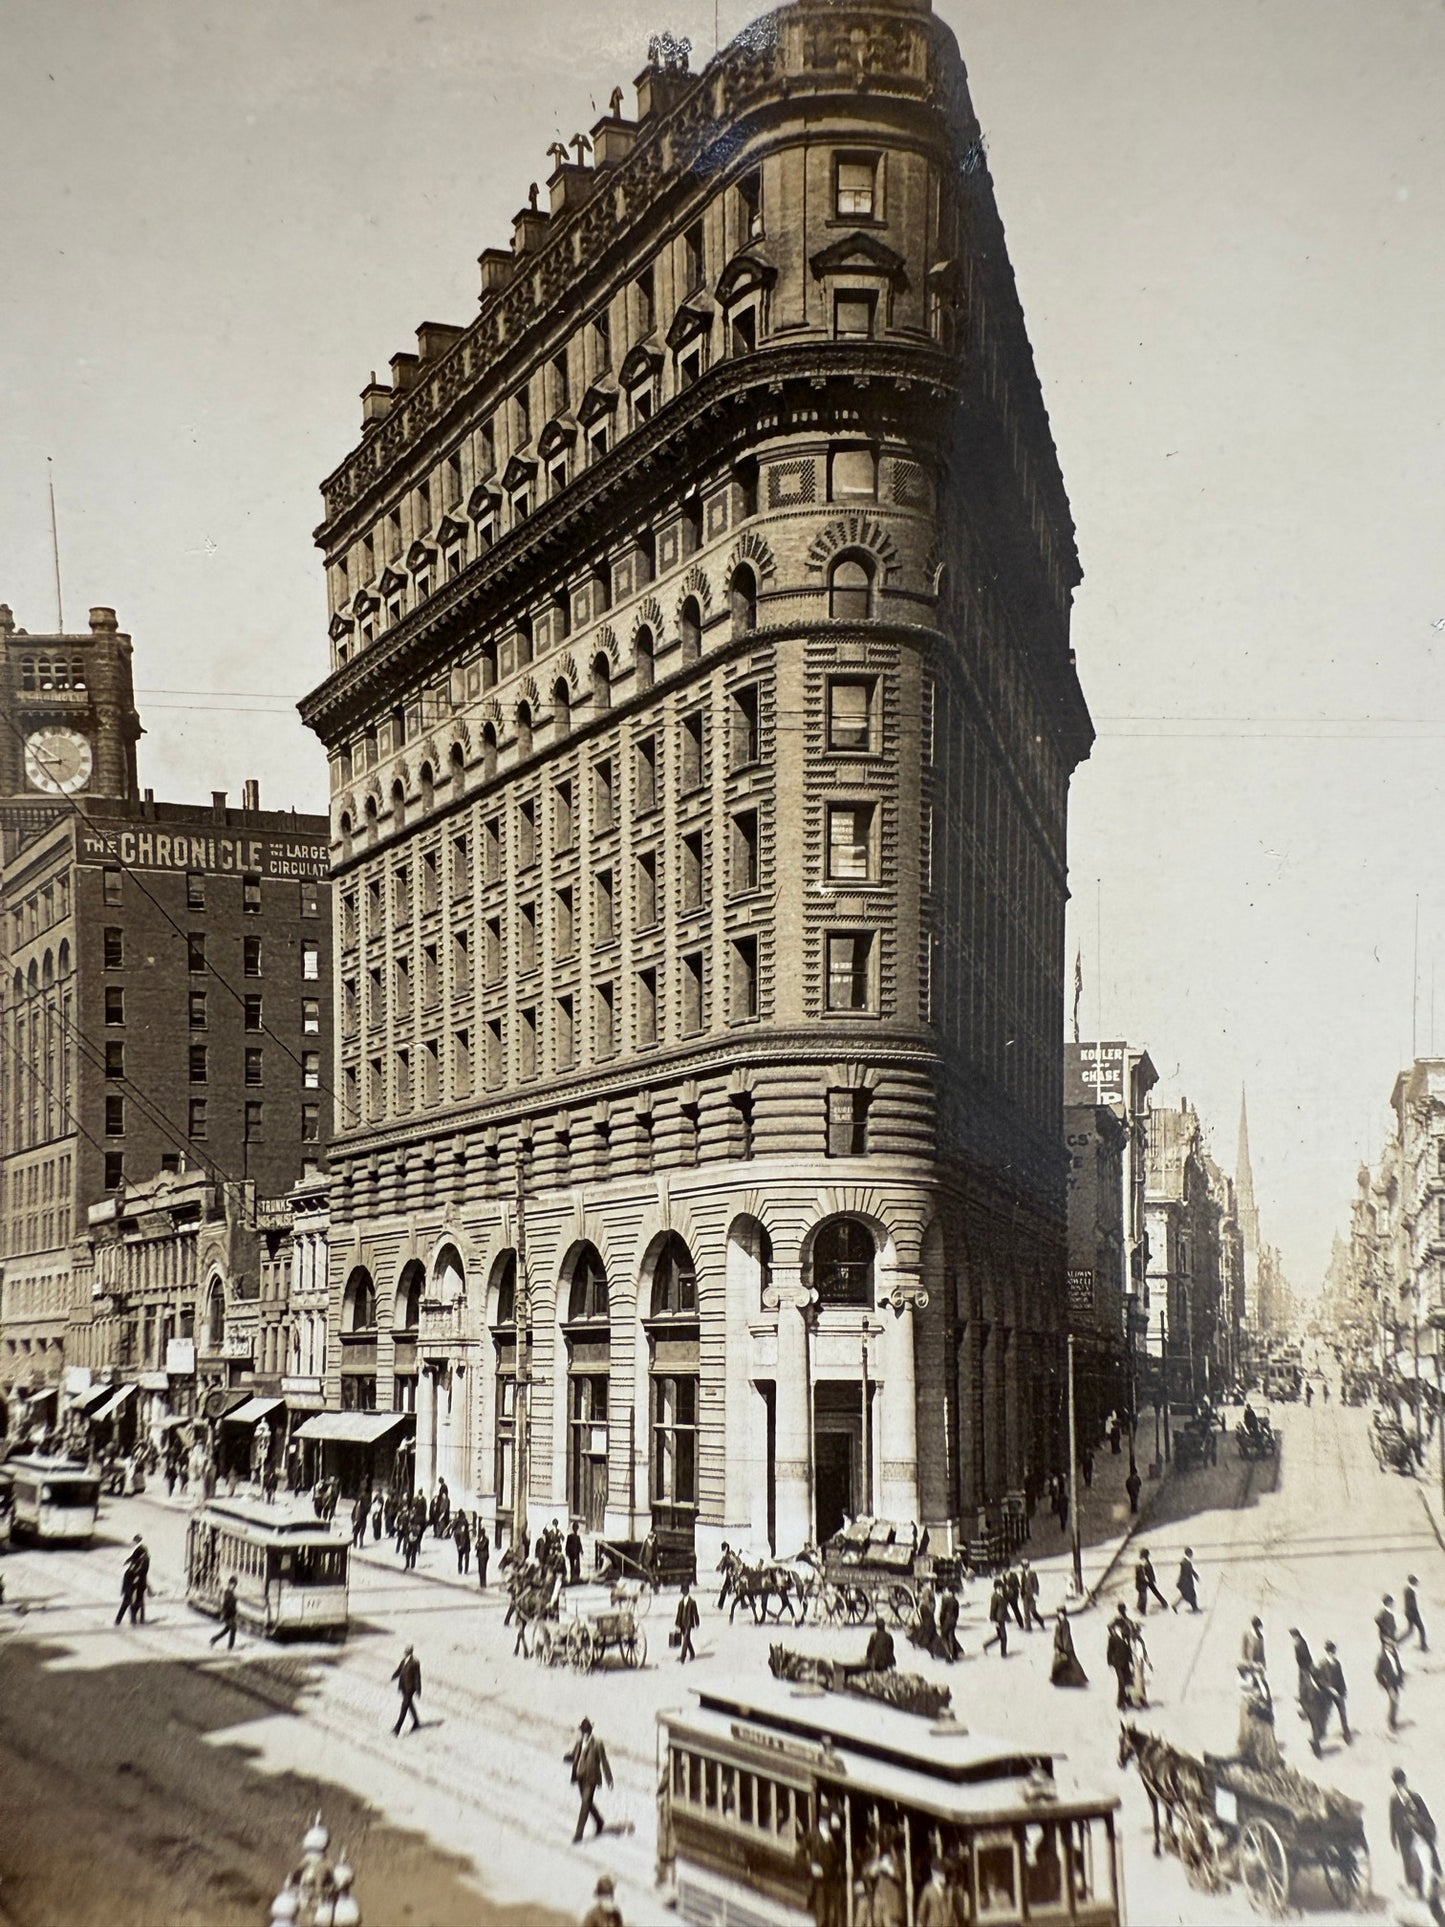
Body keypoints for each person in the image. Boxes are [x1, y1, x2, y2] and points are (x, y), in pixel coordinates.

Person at [1391, 1770, 1442, 1899]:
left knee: (1425, 1862)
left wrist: (1427, 1828)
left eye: (1401, 1782)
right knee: (1412, 1865)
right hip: (1406, 1837)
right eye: (1398, 1783)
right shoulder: (1394, 1800)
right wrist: (1393, 1836)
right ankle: (1419, 1890)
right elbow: (1393, 1819)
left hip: (1420, 1835)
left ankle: (1431, 1887)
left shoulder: (1415, 1797)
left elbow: (1426, 1815)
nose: (1400, 1786)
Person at [566, 1717, 613, 1842]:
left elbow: (604, 1762)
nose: (585, 1733)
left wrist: (609, 1778)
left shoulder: (597, 1744)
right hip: (580, 1777)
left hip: (591, 1779)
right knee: (587, 1803)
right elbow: (575, 1757)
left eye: (587, 1731)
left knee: (585, 1804)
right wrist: (568, 1758)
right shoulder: (578, 1743)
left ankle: (578, 1834)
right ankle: (599, 1821)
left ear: (590, 1731)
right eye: (583, 1731)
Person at [1237, 1661, 1283, 1770]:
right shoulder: (1253, 1682)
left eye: (1259, 1672)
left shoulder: (1259, 1682)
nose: (1258, 1674)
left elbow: (1265, 1696)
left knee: (1265, 1735)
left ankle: (1265, 1758)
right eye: (1256, 1672)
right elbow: (1259, 1694)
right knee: (1260, 1734)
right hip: (1258, 1712)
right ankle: (1259, 1758)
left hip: (1262, 1711)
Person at [1316, 1641, 1352, 1744]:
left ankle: (1346, 1734)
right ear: (1327, 1652)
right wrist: (1329, 1688)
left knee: (1343, 1712)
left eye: (1333, 1652)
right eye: (1330, 1652)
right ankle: (1320, 1733)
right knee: (1325, 1713)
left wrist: (1343, 1690)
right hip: (1328, 1693)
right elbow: (1320, 1679)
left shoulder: (1337, 1663)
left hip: (1338, 1692)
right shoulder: (1322, 1664)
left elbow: (1341, 1678)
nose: (1332, 1654)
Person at [1051, 1608, 1088, 1688]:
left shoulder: (1065, 1623)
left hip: (1066, 1646)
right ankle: (1057, 1679)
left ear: (1064, 1614)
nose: (1060, 1615)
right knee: (1059, 1663)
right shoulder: (1058, 1623)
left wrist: (1065, 1648)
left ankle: (1080, 1678)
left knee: (1072, 1662)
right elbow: (1056, 1635)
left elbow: (1066, 1636)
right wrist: (1056, 1645)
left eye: (1061, 1613)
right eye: (1058, 1613)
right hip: (1060, 1645)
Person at [392, 1645, 422, 1735]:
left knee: (404, 1707)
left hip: (410, 1688)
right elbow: (399, 1670)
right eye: (405, 1651)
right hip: (403, 1687)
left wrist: (418, 1689)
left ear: (410, 1652)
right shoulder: (404, 1660)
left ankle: (397, 1729)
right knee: (409, 1705)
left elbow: (417, 1676)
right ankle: (416, 1722)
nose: (405, 1652)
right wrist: (393, 1676)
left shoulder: (415, 1663)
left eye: (406, 1651)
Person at [1377, 1635, 1405, 1732]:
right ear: (1385, 1646)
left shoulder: (1394, 1653)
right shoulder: (1382, 1658)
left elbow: (1398, 1666)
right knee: (1394, 1702)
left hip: (1396, 1681)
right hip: (1389, 1683)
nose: (1392, 1645)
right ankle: (1391, 1723)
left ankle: (1393, 1720)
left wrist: (1401, 1677)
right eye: (1389, 1644)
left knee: (1396, 1702)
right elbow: (1378, 1672)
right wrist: (1383, 1684)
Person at [982, 1577, 1010, 1657]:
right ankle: (1003, 1654)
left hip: (1002, 1618)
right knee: (1003, 1637)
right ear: (996, 1588)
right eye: (999, 1588)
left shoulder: (1002, 1595)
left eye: (1001, 1587)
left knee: (1000, 1636)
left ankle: (986, 1645)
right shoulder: (994, 1597)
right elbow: (993, 1609)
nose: (1001, 1589)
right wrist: (993, 1620)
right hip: (998, 1619)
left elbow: (1006, 1603)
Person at [210, 1576, 240, 1650]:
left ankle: (213, 1639)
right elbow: (225, 1604)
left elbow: (233, 1604)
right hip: (227, 1614)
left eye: (235, 1585)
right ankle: (230, 1646)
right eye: (233, 1585)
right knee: (233, 1628)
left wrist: (236, 1612)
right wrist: (223, 1614)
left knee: (226, 1630)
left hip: (231, 1614)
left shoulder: (231, 1593)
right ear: (229, 1584)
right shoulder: (227, 1593)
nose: (234, 1586)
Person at [1134, 1550, 1167, 1616]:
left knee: (1146, 1593)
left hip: (1148, 1580)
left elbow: (1146, 1573)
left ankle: (1164, 1603)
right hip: (1149, 1580)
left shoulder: (1145, 1563)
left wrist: (1148, 1580)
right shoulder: (1146, 1562)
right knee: (1151, 1592)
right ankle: (1163, 1602)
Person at [675, 1579, 700, 1664]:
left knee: (685, 1639)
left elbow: (695, 1613)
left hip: (689, 1623)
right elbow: (679, 1613)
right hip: (682, 1623)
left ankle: (682, 1658)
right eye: (683, 1590)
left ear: (688, 1591)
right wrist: (677, 1623)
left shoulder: (692, 1602)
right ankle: (692, 1653)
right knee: (687, 1640)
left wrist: (697, 1622)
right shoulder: (681, 1602)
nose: (684, 1592)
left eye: (685, 1590)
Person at [936, 1585, 963, 1664]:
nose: (946, 1592)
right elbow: (957, 1613)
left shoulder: (946, 1601)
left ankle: (948, 1655)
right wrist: (954, 1620)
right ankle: (954, 1654)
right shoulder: (955, 1601)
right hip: (953, 1621)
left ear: (950, 1592)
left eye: (947, 1591)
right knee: (951, 1637)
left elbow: (942, 1612)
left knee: (944, 1638)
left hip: (946, 1621)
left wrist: (941, 1621)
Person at [1404, 1575, 1429, 1652]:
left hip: (1409, 1613)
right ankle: (1423, 1647)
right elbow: (1412, 1605)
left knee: (1410, 1631)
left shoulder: (1407, 1590)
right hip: (1413, 1614)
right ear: (1414, 1583)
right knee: (1421, 1629)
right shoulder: (1411, 1591)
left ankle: (1397, 1642)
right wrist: (1417, 1613)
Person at [1020, 1559, 1046, 1631]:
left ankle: (1041, 1621)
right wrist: (1021, 1594)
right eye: (1023, 1566)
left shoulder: (1032, 1573)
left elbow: (1036, 1584)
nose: (1025, 1568)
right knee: (1026, 1612)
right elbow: (1022, 1584)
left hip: (1031, 1595)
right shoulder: (1022, 1574)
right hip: (1025, 1595)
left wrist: (1035, 1593)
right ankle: (1028, 1627)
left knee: (1033, 1611)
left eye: (1026, 1566)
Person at [1173, 1548, 1201, 1613]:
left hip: (1185, 1582)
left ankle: (1175, 1605)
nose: (1192, 1555)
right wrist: (1190, 1582)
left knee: (1186, 1595)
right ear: (1189, 1554)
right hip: (1186, 1583)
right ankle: (1195, 1608)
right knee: (1192, 1595)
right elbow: (1187, 1572)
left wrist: (1196, 1576)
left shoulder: (1186, 1561)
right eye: (1191, 1554)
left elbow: (1191, 1570)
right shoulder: (1185, 1562)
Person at [566, 1520, 584, 1588]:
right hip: (571, 1554)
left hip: (577, 1554)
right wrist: (567, 1552)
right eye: (575, 1528)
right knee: (572, 1566)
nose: (576, 1530)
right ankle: (571, 1579)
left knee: (577, 1566)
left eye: (576, 1528)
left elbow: (580, 1545)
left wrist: (581, 1551)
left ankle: (576, 1579)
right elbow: (567, 1545)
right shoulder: (569, 1536)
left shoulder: (578, 1537)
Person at [453, 1509, 471, 1575]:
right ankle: (465, 1571)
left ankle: (460, 1570)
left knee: (460, 1557)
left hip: (462, 1544)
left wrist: (458, 1545)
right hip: (465, 1544)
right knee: (466, 1558)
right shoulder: (464, 1522)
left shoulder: (457, 1528)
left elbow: (456, 1537)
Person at [476, 1520, 490, 1589]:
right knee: (480, 1570)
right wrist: (478, 1544)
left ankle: (483, 1584)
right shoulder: (480, 1539)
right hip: (480, 1556)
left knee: (483, 1570)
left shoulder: (486, 1539)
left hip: (484, 1556)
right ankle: (481, 1583)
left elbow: (481, 1547)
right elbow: (476, 1546)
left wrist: (478, 1545)